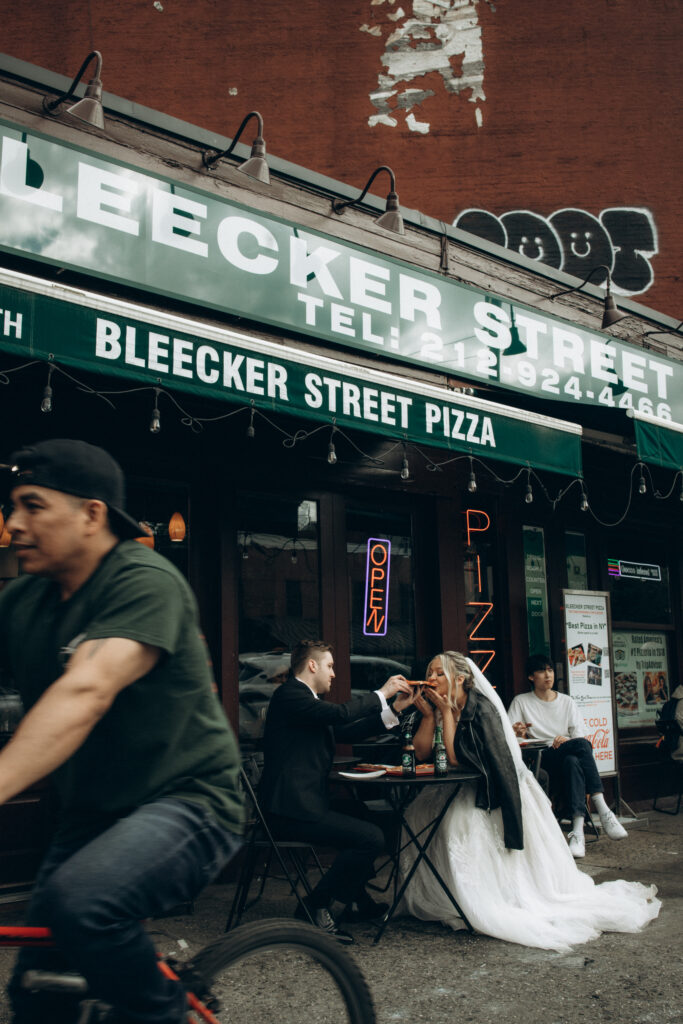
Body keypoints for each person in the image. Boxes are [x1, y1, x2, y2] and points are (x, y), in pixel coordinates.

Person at [0, 439, 244, 1024]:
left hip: (188, 801)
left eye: (33, 506)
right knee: (36, 991)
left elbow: (86, 690)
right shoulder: (22, 601)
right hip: (90, 813)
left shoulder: (144, 579)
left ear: (92, 514)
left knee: (83, 903)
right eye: (12, 507)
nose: (12, 524)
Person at [395, 651, 660, 952]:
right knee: (417, 814)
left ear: (459, 679)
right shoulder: (438, 706)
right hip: (455, 786)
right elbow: (420, 753)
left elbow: (456, 757)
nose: (432, 678)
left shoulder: (480, 709)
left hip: (489, 793)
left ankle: (470, 897)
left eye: (439, 673)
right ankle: (440, 894)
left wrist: (444, 713)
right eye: (429, 671)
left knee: (457, 823)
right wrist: (430, 715)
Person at [259, 639, 412, 943]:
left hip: (305, 804)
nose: (334, 674)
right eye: (329, 666)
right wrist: (382, 693)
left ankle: (357, 900)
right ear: (312, 665)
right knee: (370, 838)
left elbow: (345, 731)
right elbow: (341, 715)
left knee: (364, 816)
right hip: (287, 811)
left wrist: (392, 710)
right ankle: (314, 906)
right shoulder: (291, 695)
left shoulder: (307, 702)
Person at [508, 653, 627, 858]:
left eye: (550, 670)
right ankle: (602, 807)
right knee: (580, 747)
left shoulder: (567, 702)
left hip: (565, 755)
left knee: (574, 759)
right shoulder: (521, 701)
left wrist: (565, 740)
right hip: (541, 757)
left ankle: (577, 832)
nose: (547, 675)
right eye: (541, 671)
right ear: (531, 677)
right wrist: (516, 732)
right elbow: (510, 740)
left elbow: (580, 736)